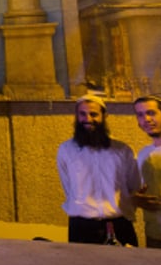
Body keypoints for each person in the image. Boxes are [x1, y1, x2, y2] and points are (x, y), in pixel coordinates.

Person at [56, 94, 140, 245]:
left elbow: (133, 186)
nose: (87, 119)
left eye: (93, 114)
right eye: (82, 114)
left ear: (104, 116)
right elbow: (68, 187)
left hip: (119, 224)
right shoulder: (66, 150)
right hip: (81, 226)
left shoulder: (122, 150)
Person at [132, 95, 161, 248]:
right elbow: (142, 191)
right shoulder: (144, 154)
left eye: (151, 113)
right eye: (140, 115)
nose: (146, 119)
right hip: (155, 235)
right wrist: (135, 199)